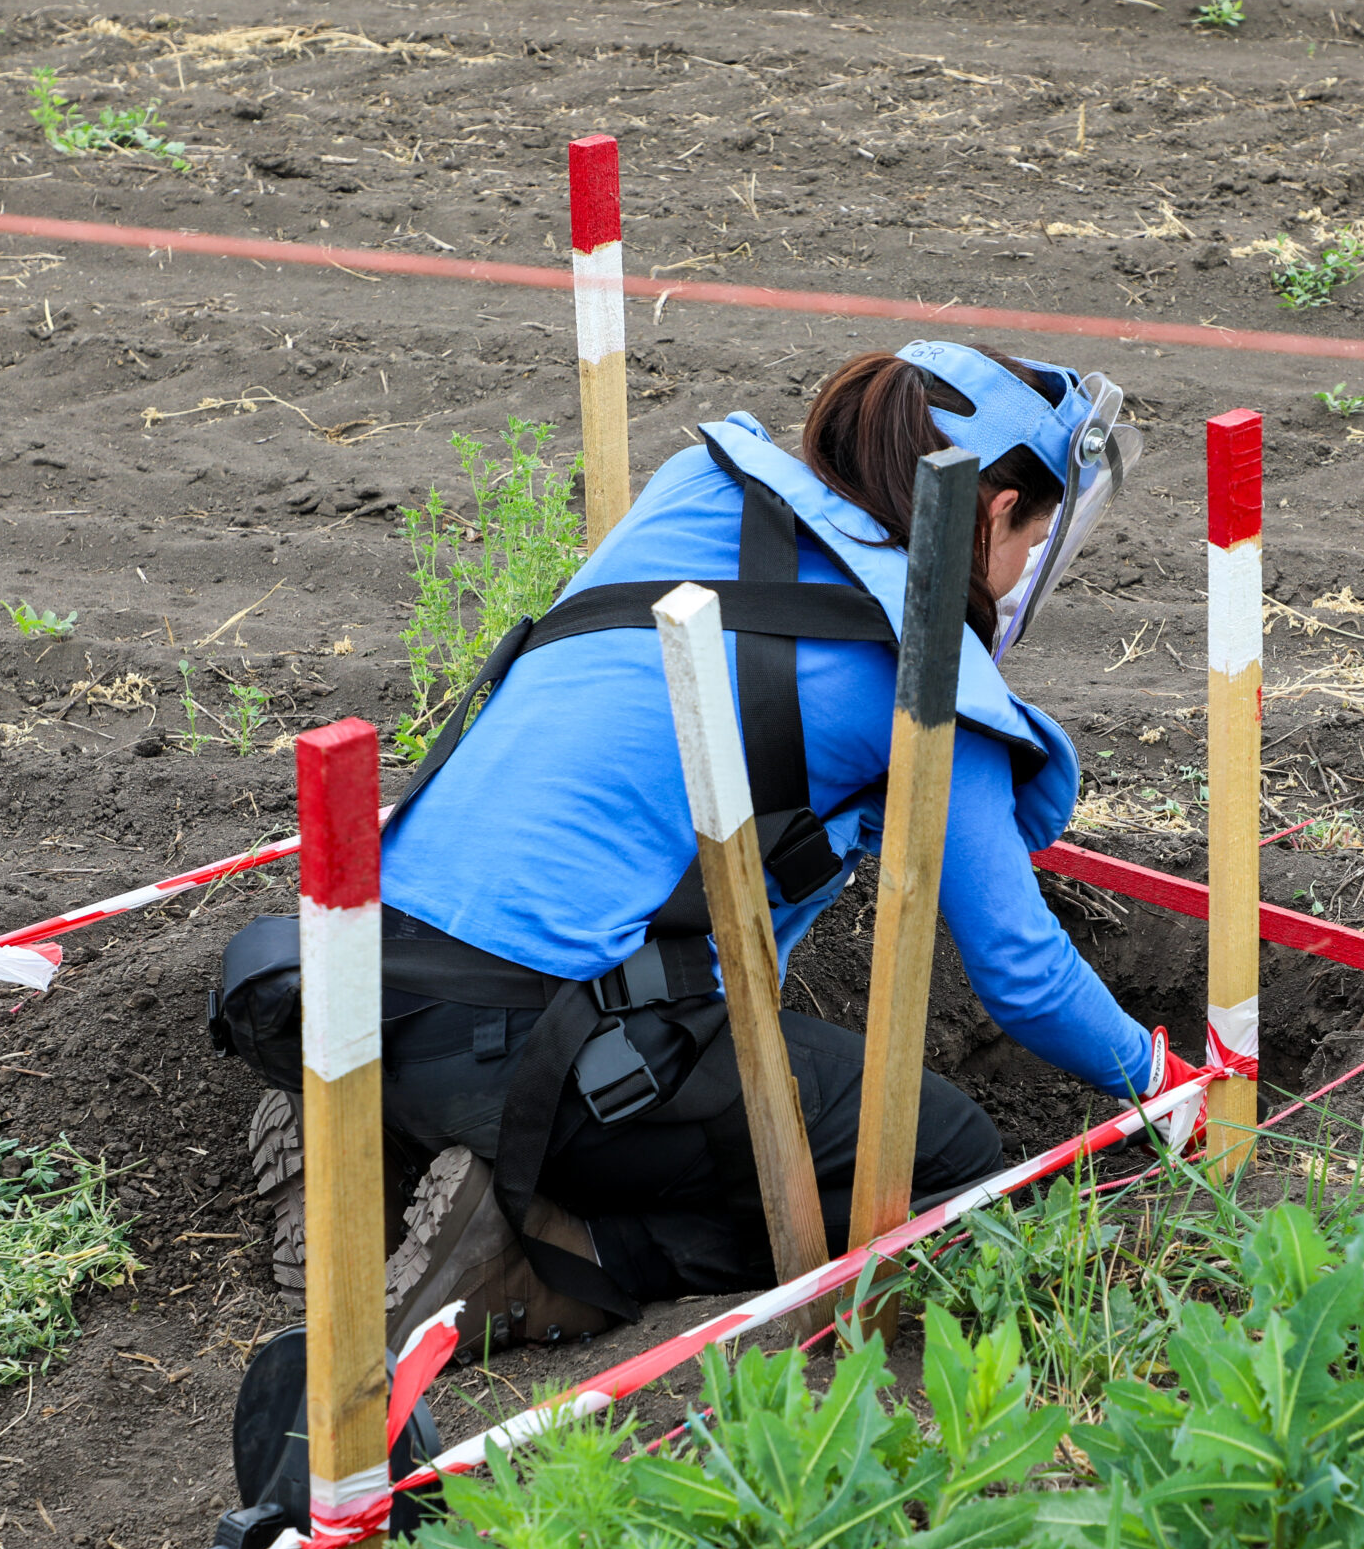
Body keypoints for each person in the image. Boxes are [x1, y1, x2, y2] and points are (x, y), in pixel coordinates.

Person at [371, 340, 1205, 1351]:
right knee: (946, 1156)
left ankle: (379, 1153)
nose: (1029, 569)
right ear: (992, 513)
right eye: (1034, 542)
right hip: (533, 1052)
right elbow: (1022, 974)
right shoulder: (925, 673)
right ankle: (557, 1252)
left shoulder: (697, 484)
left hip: (362, 983)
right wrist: (1163, 1087)